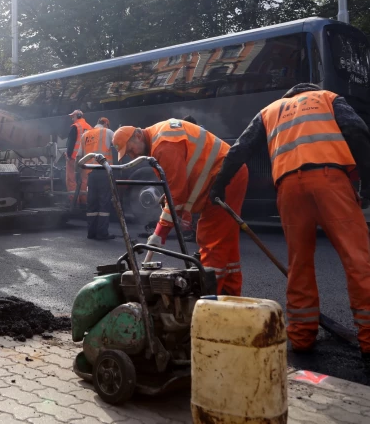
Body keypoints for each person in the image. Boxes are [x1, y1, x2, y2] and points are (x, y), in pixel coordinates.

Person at [209, 83, 370, 359]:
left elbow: (240, 149)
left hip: (288, 189)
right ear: (309, 90)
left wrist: (219, 184)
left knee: (299, 263)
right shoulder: (327, 98)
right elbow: (357, 131)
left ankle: (302, 335)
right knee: (357, 259)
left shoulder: (269, 111)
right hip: (331, 180)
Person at [113, 119, 248, 295]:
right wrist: (173, 201)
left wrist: (159, 234)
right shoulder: (158, 137)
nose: (132, 156)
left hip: (224, 179)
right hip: (227, 175)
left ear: (138, 135)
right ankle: (230, 296)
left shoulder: (163, 145)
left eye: (131, 150)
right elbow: (181, 180)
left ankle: (207, 301)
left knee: (211, 240)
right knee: (226, 242)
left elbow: (177, 194)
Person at [77, 117, 116, 240]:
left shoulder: (85, 135)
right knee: (104, 202)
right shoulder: (108, 132)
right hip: (104, 172)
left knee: (92, 203)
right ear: (105, 123)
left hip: (90, 173)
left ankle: (91, 232)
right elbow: (119, 146)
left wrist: (78, 172)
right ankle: (102, 233)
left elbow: (79, 156)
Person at [66, 110, 92, 205]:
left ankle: (74, 202)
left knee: (71, 179)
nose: (72, 119)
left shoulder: (75, 127)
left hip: (74, 157)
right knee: (84, 180)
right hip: (86, 159)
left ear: (78, 116)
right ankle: (84, 201)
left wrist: (68, 156)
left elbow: (71, 143)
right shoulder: (89, 127)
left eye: (73, 117)